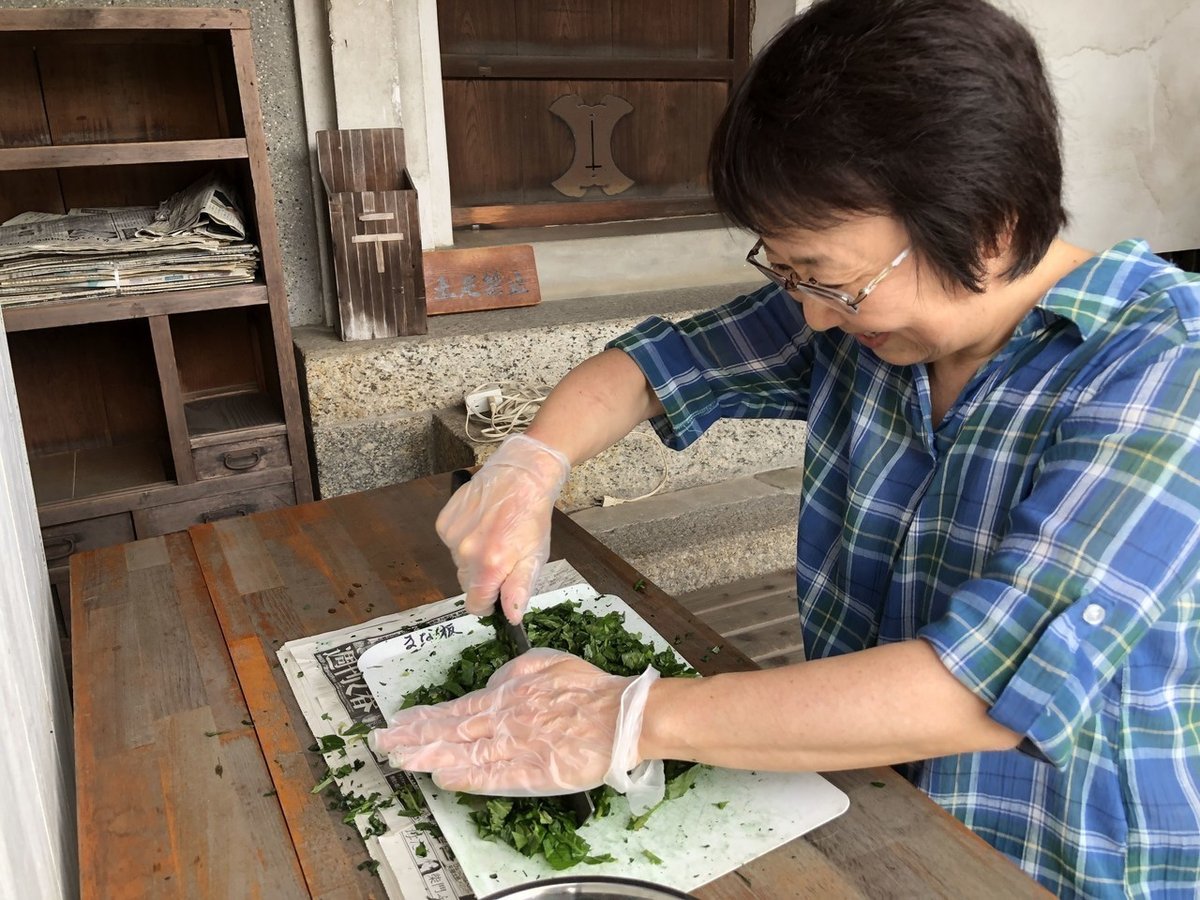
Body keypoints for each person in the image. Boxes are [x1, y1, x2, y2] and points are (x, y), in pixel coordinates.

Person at [370, 0, 1200, 895]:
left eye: (833, 281)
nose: (807, 314)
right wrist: (530, 463)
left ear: (990, 228)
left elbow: (980, 686)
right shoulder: (856, 320)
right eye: (786, 271)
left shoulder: (1165, 368)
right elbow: (655, 365)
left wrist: (626, 716)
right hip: (864, 796)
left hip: (1062, 855)